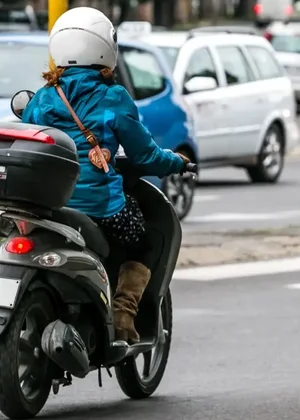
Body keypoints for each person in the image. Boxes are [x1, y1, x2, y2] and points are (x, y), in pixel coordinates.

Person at [21, 6, 189, 344]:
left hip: (48, 207)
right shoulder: (113, 97)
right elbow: (145, 156)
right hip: (100, 207)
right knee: (145, 242)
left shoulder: (41, 99)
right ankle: (124, 313)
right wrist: (177, 162)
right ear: (104, 48)